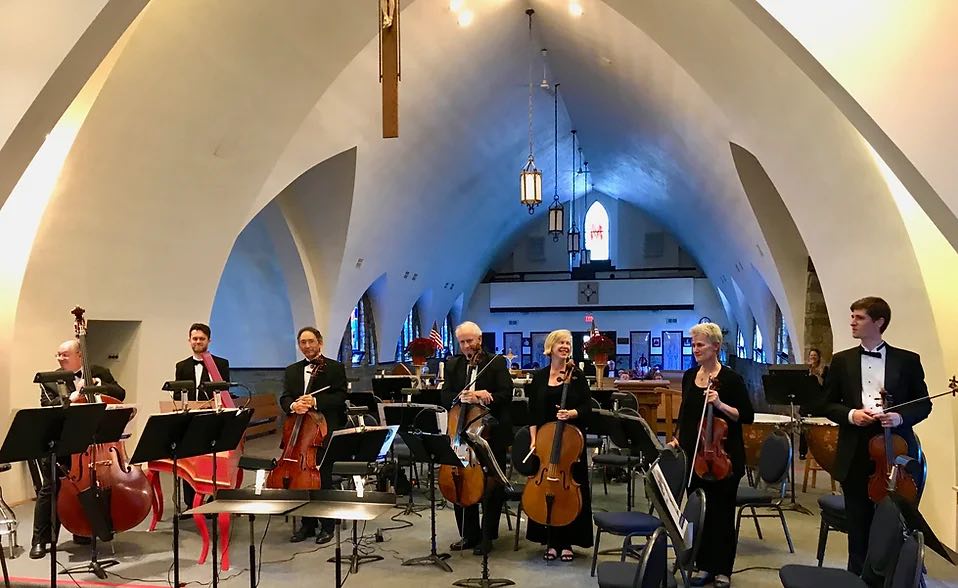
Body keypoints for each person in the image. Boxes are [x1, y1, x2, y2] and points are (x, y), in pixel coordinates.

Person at [818, 297, 930, 574]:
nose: (852, 322)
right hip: (855, 450)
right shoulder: (842, 360)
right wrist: (851, 415)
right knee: (858, 526)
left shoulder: (907, 360)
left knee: (894, 522)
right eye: (852, 316)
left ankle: (890, 576)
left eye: (859, 317)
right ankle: (858, 577)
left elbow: (924, 403)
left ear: (878, 322)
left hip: (895, 451)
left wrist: (900, 416)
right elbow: (825, 404)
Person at [668, 323, 754, 588]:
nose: (695, 349)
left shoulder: (731, 379)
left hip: (723, 457)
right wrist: (677, 438)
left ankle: (722, 570)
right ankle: (701, 564)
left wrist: (719, 404)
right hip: (694, 456)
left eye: (701, 344)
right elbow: (686, 414)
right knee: (698, 514)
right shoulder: (689, 376)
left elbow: (747, 416)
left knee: (721, 515)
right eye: (693, 345)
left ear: (716, 346)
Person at [29, 339, 126, 559]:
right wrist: (70, 399)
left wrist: (100, 385)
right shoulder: (51, 379)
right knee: (51, 488)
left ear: (80, 355)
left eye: (64, 354)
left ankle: (84, 530)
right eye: (58, 355)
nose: (60, 359)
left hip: (92, 444)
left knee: (94, 484)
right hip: (62, 444)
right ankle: (41, 540)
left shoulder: (99, 371)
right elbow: (47, 407)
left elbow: (120, 393)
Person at [440, 321, 512, 555]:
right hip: (460, 434)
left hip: (489, 434)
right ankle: (468, 535)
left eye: (470, 341)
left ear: (480, 339)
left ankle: (487, 535)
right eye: (462, 342)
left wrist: (485, 396)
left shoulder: (496, 362)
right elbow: (445, 395)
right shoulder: (453, 365)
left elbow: (506, 395)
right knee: (460, 481)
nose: (466, 346)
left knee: (490, 487)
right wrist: (459, 396)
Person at [524, 329, 593, 561]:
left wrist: (572, 412)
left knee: (570, 490)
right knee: (545, 489)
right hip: (544, 443)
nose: (565, 346)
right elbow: (532, 413)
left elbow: (587, 408)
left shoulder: (577, 375)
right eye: (561, 342)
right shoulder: (540, 376)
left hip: (571, 443)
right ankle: (550, 541)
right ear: (550, 347)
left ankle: (568, 542)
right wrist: (534, 440)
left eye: (568, 343)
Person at [279, 327, 348, 544]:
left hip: (325, 429)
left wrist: (315, 402)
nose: (307, 346)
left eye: (310, 341)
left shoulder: (334, 368)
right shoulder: (292, 370)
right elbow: (285, 397)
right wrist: (293, 405)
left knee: (323, 477)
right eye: (303, 342)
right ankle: (307, 525)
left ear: (319, 342)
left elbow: (340, 396)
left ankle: (327, 526)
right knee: (301, 479)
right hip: (300, 431)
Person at [172, 322, 231, 511]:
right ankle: (191, 504)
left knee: (214, 461)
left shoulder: (220, 364)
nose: (198, 342)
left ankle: (213, 500)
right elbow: (176, 396)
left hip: (213, 419)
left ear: (209, 341)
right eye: (194, 338)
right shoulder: (181, 366)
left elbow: (224, 391)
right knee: (190, 462)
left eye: (201, 339)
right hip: (190, 420)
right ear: (189, 340)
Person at [798, 347, 828, 459]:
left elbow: (824, 385)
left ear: (819, 357)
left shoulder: (824, 370)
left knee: (817, 428)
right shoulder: (805, 369)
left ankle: (818, 452)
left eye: (815, 356)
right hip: (806, 402)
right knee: (804, 428)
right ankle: (802, 452)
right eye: (811, 356)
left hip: (818, 402)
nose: (813, 358)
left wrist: (816, 375)